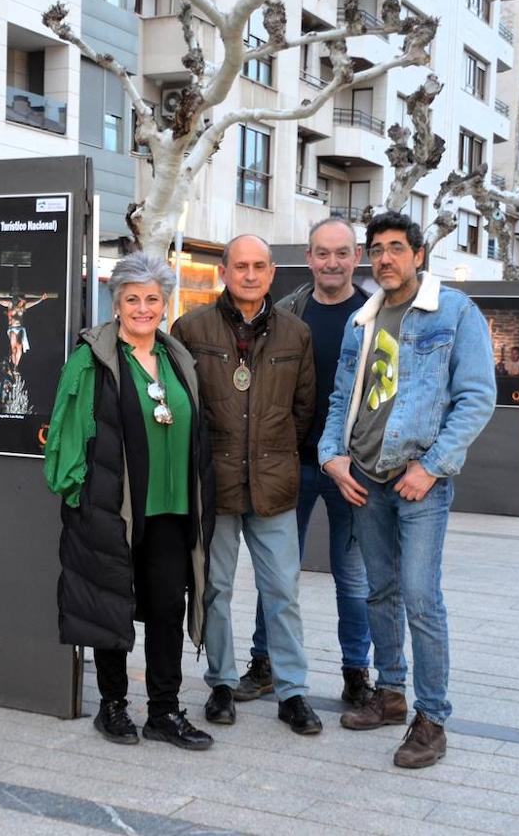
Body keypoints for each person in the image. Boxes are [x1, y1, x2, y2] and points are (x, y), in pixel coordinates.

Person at [320, 212, 495, 768]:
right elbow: (341, 398)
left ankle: (433, 718)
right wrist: (333, 458)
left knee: (421, 598)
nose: (386, 258)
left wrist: (435, 466)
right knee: (379, 592)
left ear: (419, 254)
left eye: (397, 247)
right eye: (378, 249)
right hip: (366, 478)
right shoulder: (363, 321)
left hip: (419, 480)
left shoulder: (455, 313)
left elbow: (476, 398)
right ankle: (391, 694)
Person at [45, 253, 215, 749]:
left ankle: (164, 711)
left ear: (165, 304)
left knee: (166, 609)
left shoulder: (176, 358)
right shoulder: (92, 358)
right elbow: (65, 434)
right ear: (116, 304)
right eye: (132, 299)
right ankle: (113, 706)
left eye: (152, 299)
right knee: (109, 604)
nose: (143, 308)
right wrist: (79, 498)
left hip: (172, 511)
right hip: (112, 509)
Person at [171, 234, 323, 735]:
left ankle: (293, 691)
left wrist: (272, 453)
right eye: (241, 266)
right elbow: (181, 406)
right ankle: (220, 683)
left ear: (273, 273)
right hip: (214, 483)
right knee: (214, 589)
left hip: (273, 485)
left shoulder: (295, 334)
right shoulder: (191, 329)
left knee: (282, 591)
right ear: (224, 272)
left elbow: (303, 412)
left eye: (260, 266)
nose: (251, 275)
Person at [236, 217, 374, 707]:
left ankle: (357, 672)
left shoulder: (375, 314)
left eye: (341, 253)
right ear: (309, 258)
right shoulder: (288, 310)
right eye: (322, 253)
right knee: (277, 570)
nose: (331, 262)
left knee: (353, 575)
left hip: (353, 469)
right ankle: (265, 661)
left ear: (356, 256)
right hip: (291, 464)